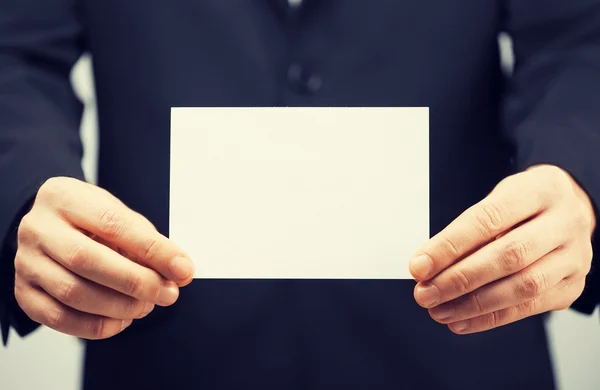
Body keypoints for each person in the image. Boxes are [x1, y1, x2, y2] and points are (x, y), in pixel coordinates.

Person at [1, 1, 599, 389]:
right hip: (172, 348)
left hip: (459, 341)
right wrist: (25, 194)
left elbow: (580, 39)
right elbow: (13, 49)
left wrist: (576, 178)